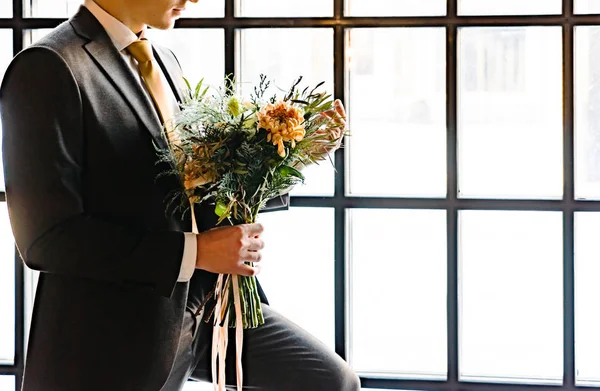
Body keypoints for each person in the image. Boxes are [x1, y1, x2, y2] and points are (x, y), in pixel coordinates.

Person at [0, 0, 359, 390]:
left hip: (205, 312)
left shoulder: (164, 60)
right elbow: (47, 239)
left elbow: (192, 191)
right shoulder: (47, 66)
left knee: (333, 381)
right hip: (112, 341)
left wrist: (295, 156)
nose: (194, 0)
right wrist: (196, 252)